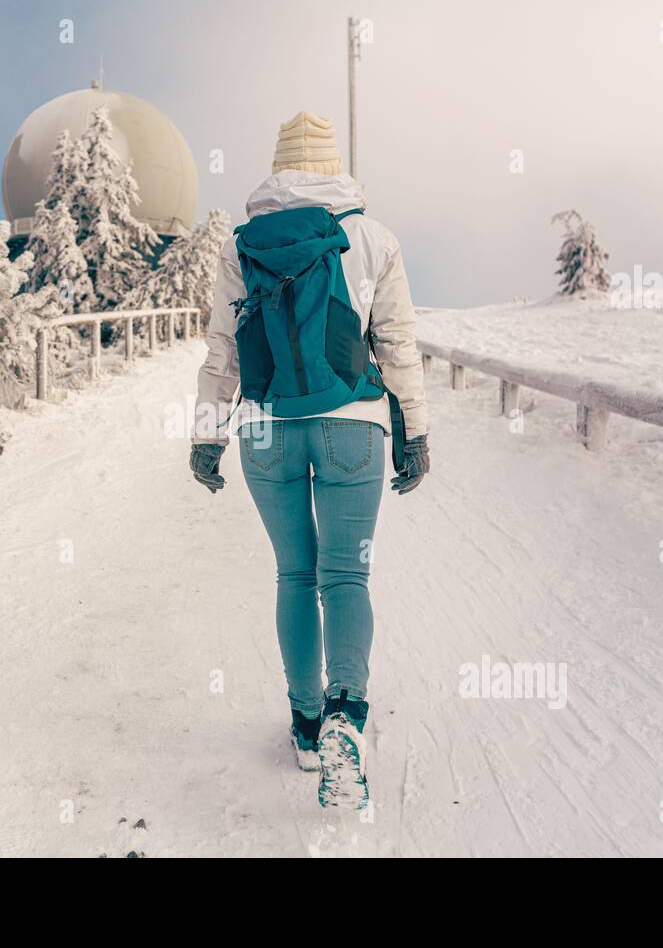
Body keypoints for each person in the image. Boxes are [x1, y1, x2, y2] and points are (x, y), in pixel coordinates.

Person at [189, 111, 430, 808]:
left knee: (295, 572)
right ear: (333, 166)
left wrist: (207, 433)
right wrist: (413, 428)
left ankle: (302, 724)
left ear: (278, 168)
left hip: (267, 428)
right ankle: (344, 716)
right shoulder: (373, 237)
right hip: (354, 424)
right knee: (345, 575)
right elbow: (399, 344)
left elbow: (221, 350)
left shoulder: (241, 245)